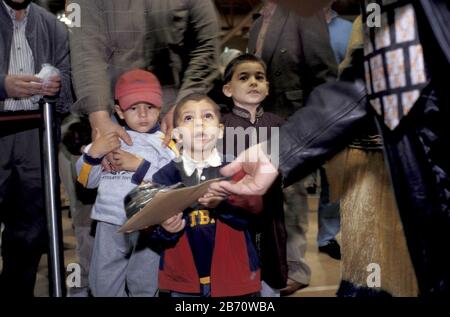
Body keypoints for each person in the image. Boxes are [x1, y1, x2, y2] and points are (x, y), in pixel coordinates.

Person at [211, 0, 450, 297]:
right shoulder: (261, 21)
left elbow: (331, 75)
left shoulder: (309, 18)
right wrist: (282, 150)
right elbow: (377, 76)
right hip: (385, 152)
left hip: (376, 147)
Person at [248, 0, 338, 295]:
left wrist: (314, 126)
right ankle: (272, 264)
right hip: (261, 123)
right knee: (267, 199)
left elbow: (324, 75)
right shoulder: (259, 20)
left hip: (294, 121)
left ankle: (296, 268)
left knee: (292, 197)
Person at [68, 0, 220, 157]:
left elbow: (206, 45)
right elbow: (86, 51)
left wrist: (184, 106)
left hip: (177, 110)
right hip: (114, 113)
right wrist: (99, 119)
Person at [76, 69, 177, 297]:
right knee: (103, 284)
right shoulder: (107, 139)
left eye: (149, 107)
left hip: (149, 223)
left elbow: (174, 182)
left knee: (144, 283)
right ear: (120, 112)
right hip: (109, 221)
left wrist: (138, 165)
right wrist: (94, 154)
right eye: (133, 108)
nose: (143, 114)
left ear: (160, 109)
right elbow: (86, 181)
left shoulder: (166, 143)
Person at [148, 94, 261, 297]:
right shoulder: (164, 176)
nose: (199, 123)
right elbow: (150, 230)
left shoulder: (237, 171)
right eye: (189, 118)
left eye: (207, 116)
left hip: (234, 280)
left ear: (219, 131)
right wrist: (166, 229)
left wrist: (224, 203)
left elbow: (252, 215)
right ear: (178, 135)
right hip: (184, 283)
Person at [0, 0, 71, 296]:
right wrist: (3, 85)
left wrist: (58, 86)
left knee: (30, 231)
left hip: (35, 134)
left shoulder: (53, 25)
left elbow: (69, 77)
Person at [220, 53, 287, 297]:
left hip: (270, 212)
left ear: (267, 87)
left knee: (270, 274)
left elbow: (293, 165)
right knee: (236, 276)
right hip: (232, 214)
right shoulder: (219, 125)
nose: (253, 82)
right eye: (244, 77)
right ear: (228, 89)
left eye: (259, 77)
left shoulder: (279, 125)